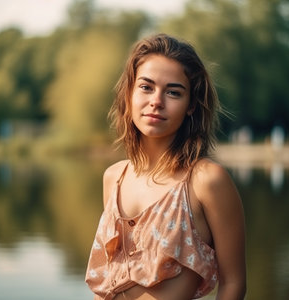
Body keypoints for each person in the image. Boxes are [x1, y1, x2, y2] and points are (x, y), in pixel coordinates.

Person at [85, 33, 246, 300]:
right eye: (146, 87)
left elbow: (234, 284)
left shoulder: (206, 181)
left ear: (191, 105)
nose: (156, 101)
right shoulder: (113, 177)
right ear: (129, 94)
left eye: (173, 92)